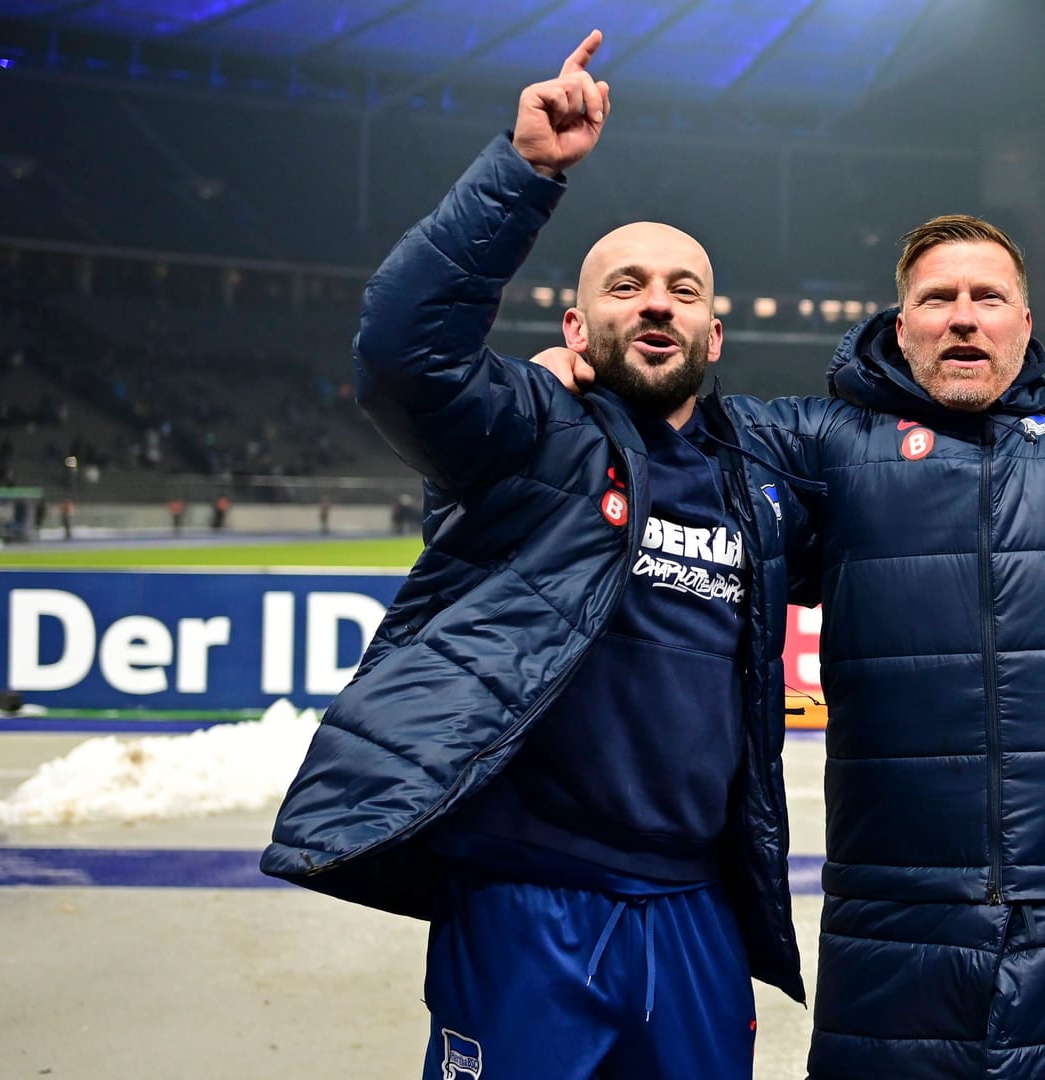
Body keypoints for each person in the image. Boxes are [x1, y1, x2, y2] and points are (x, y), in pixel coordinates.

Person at [537, 208, 1045, 1077]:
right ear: (901, 328)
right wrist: (567, 383)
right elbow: (664, 416)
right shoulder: (822, 443)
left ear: (1026, 321)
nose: (964, 316)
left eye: (989, 296)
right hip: (895, 941)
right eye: (938, 299)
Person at [262, 32, 812, 1079]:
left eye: (683, 288)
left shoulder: (759, 484)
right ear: (577, 321)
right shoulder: (526, 432)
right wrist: (527, 173)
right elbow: (399, 353)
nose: (656, 302)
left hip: (696, 908)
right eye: (628, 285)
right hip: (526, 899)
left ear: (714, 333)